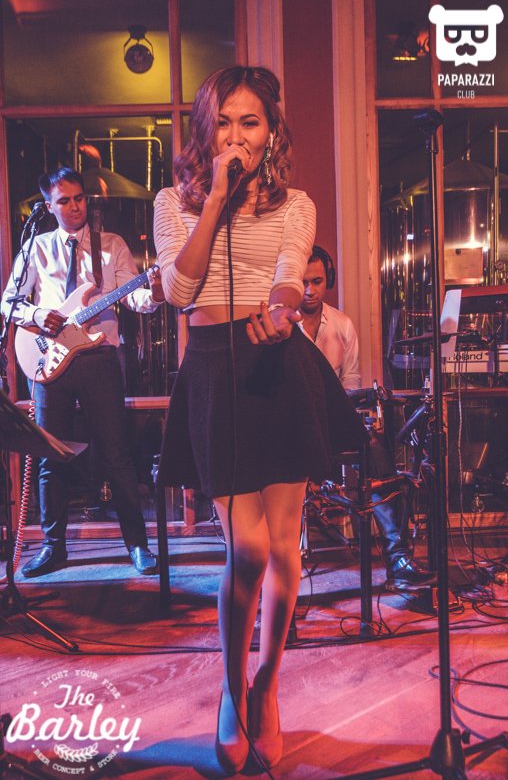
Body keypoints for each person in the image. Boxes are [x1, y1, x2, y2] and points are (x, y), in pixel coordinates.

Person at [153, 66, 367, 773]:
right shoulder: (172, 203)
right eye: (224, 121)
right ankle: (229, 684)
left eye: (250, 122)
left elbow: (286, 272)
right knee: (243, 547)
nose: (236, 135)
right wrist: (216, 198)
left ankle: (266, 685)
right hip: (214, 368)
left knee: (283, 547)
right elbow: (178, 290)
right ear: (204, 130)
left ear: (270, 132)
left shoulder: (295, 204)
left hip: (277, 363)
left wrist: (281, 310)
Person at [1, 167, 163, 578]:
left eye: (79, 198)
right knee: (49, 457)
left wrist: (156, 292)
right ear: (48, 206)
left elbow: (136, 297)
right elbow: (9, 303)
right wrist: (39, 315)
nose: (74, 207)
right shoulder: (36, 247)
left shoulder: (111, 245)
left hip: (99, 358)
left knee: (116, 454)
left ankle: (138, 545)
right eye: (64, 201)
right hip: (48, 359)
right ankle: (53, 547)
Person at [299, 245, 435, 590]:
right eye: (302, 282)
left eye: (316, 281)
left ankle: (398, 557)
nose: (309, 290)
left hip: (332, 424)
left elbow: (351, 385)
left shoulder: (342, 325)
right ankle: (280, 565)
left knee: (376, 450)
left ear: (328, 280)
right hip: (294, 429)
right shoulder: (281, 327)